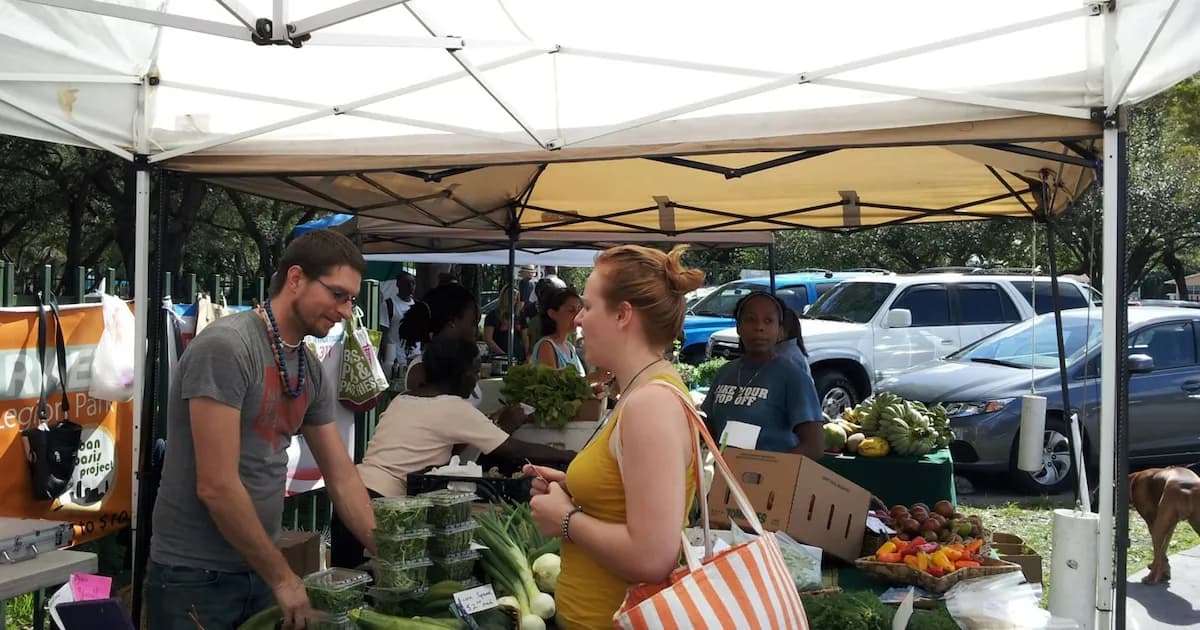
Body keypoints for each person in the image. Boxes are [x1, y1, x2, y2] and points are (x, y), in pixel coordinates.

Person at [148, 229, 378, 630]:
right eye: (338, 294)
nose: (346, 310)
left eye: (352, 299)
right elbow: (216, 485)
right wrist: (283, 577)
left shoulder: (306, 365)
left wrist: (390, 554)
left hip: (259, 567)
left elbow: (342, 477)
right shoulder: (227, 347)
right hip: (195, 575)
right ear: (295, 279)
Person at [524, 245, 705, 629]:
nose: (579, 322)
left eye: (588, 307)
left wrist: (566, 520)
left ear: (623, 314)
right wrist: (575, 486)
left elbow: (653, 556)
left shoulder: (650, 404)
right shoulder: (642, 393)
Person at [332, 336, 575, 567]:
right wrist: (570, 456)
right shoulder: (453, 407)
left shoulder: (403, 399)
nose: (477, 379)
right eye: (475, 372)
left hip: (353, 498)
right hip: (384, 509)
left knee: (347, 588)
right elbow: (511, 449)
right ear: (459, 374)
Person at [701, 291, 823, 458]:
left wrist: (768, 471)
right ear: (738, 327)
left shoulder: (793, 377)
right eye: (750, 319)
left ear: (780, 330)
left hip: (771, 481)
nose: (759, 327)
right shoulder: (726, 372)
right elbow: (708, 426)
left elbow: (813, 447)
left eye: (768, 321)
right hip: (725, 477)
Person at [530, 287, 585, 375]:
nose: (577, 315)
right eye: (571, 310)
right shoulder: (546, 346)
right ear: (552, 313)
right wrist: (591, 379)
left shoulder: (569, 346)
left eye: (579, 309)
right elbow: (552, 385)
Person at [382, 272, 415, 374]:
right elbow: (384, 333)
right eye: (406, 283)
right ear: (398, 284)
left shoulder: (417, 306)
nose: (410, 286)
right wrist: (387, 358)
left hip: (414, 359)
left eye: (413, 282)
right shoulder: (389, 304)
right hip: (396, 360)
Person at [483, 284, 525, 362]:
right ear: (503, 297)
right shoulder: (493, 315)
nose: (512, 299)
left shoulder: (520, 316)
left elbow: (525, 338)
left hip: (519, 358)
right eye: (509, 296)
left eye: (515, 297)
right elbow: (488, 338)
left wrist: (527, 356)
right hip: (498, 359)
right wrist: (503, 355)